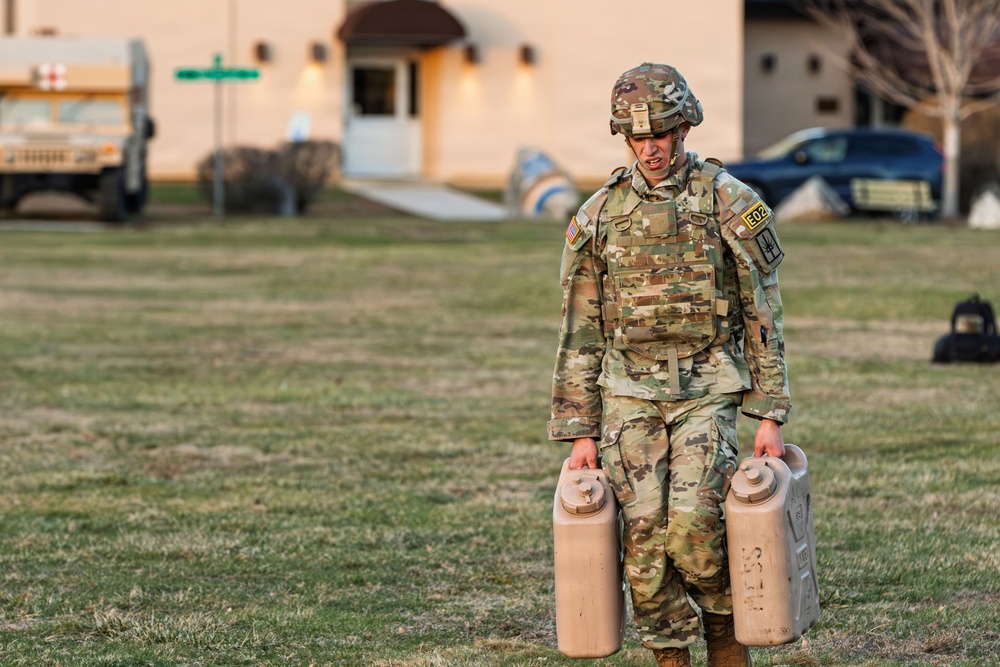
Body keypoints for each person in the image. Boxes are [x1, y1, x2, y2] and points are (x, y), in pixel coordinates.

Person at [547, 63, 792, 667]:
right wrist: (580, 430)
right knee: (645, 544)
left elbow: (762, 311)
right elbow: (581, 329)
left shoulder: (728, 201)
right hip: (628, 390)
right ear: (623, 139)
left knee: (694, 528)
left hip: (708, 388)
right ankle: (669, 656)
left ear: (684, 128)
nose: (650, 148)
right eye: (638, 137)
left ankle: (727, 642)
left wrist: (769, 412)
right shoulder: (600, 216)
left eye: (661, 134)